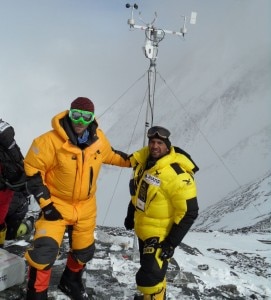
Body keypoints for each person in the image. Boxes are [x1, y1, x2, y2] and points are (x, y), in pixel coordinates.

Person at [23, 97, 131, 300]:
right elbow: (32, 170)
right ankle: (36, 294)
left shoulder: (98, 139)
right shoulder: (48, 141)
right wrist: (46, 205)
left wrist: (135, 161)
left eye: (86, 117)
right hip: (56, 204)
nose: (80, 121)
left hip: (85, 206)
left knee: (84, 250)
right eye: (76, 115)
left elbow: (111, 155)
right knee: (43, 253)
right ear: (69, 113)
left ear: (92, 118)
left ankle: (70, 281)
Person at [124, 126, 199, 300]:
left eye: (159, 143)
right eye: (152, 142)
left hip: (160, 235)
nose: (154, 146)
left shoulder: (176, 175)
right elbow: (140, 194)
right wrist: (130, 215)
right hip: (144, 230)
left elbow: (190, 212)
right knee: (155, 274)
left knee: (149, 278)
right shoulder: (146, 164)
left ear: (167, 146)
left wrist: (170, 244)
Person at [0, 119, 26, 247]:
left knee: (11, 232)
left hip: (13, 199)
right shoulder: (7, 144)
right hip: (9, 190)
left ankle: (27, 225)